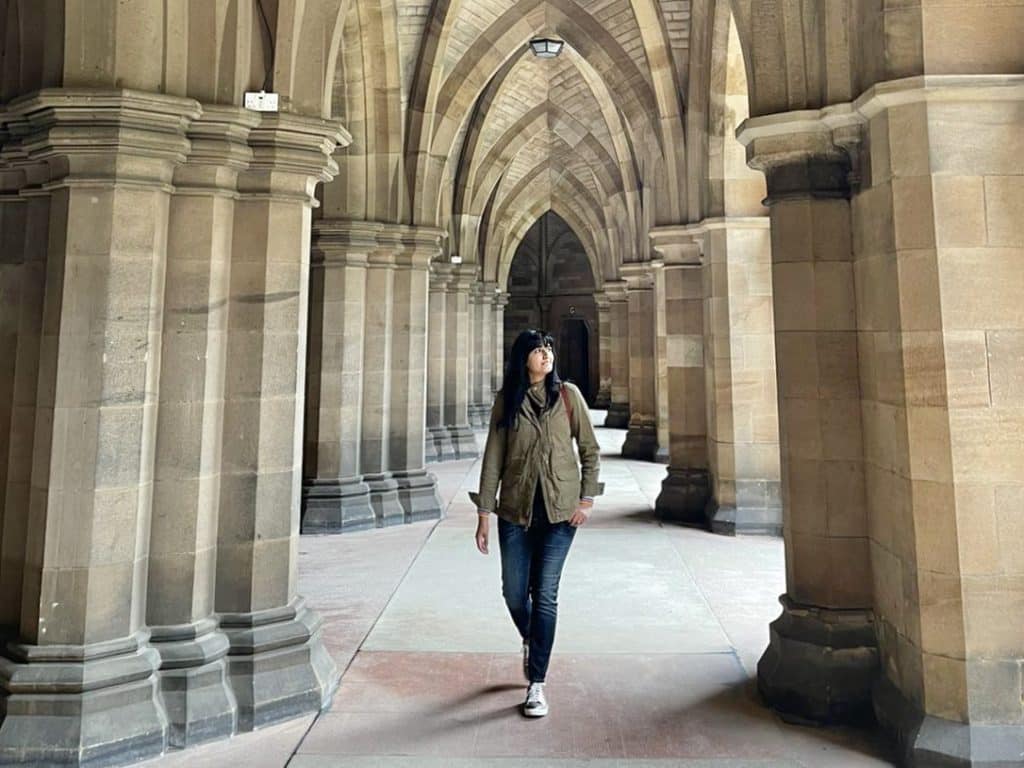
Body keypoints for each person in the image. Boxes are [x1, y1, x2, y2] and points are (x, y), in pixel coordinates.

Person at [470, 329, 603, 718]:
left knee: (545, 593)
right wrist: (483, 514)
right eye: (538, 350)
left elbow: (590, 449)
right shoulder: (507, 401)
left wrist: (587, 499)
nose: (546, 355)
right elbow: (493, 460)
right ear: (522, 358)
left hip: (561, 512)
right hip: (515, 511)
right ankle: (534, 637)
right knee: (514, 592)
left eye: (549, 349)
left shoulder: (568, 396)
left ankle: (537, 683)